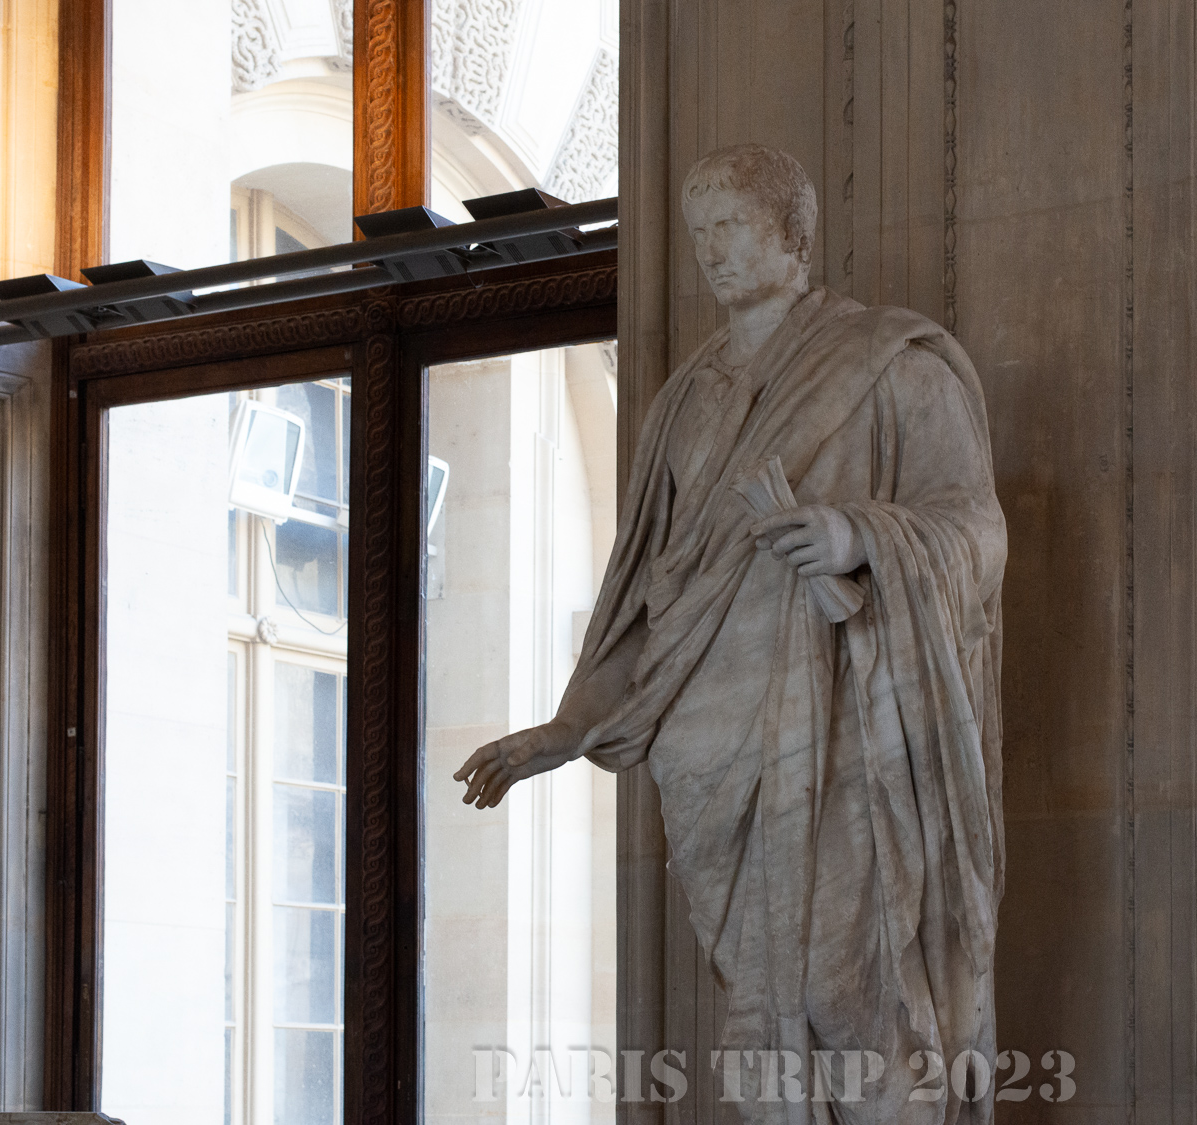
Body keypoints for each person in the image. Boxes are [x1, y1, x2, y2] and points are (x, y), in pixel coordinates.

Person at [454, 143, 1007, 1124]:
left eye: (733, 227)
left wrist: (854, 536)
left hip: (841, 732)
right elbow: (643, 600)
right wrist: (567, 729)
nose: (711, 250)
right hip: (709, 753)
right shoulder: (681, 403)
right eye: (698, 231)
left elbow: (976, 529)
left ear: (792, 235)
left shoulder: (889, 364)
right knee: (761, 1019)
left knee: (845, 995)